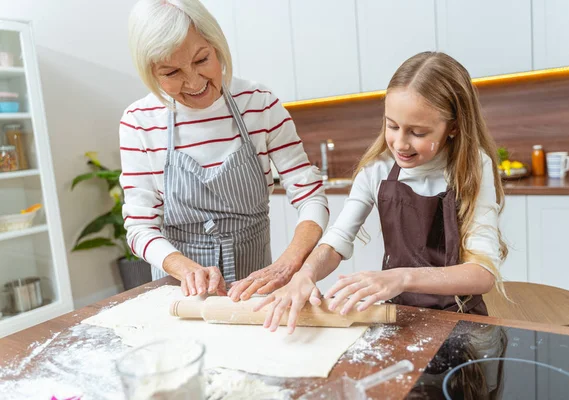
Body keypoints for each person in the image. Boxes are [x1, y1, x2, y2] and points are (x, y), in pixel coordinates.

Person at [256, 52, 508, 333]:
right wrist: (306, 274)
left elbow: (483, 274)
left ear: (453, 127)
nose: (400, 143)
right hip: (398, 315)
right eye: (392, 126)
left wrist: (400, 278)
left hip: (461, 320)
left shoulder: (473, 167)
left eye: (418, 132)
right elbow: (338, 239)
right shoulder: (377, 170)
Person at [120, 0, 329, 299]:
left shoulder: (259, 103)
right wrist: (184, 268)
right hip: (181, 294)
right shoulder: (139, 123)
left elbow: (310, 196)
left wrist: (287, 264)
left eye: (202, 59)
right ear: (151, 73)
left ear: (216, 45)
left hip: (257, 291)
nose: (193, 81)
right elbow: (140, 227)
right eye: (171, 72)